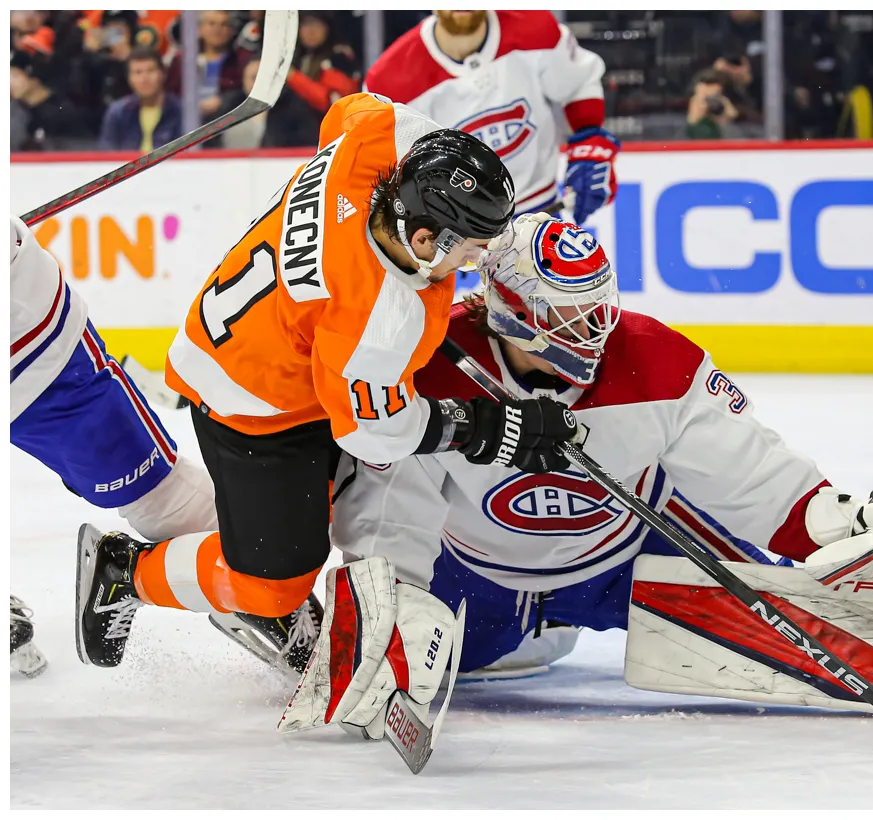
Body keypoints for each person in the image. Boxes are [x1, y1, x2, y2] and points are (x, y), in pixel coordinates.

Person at [274, 213, 873, 741]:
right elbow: (390, 501)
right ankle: (291, 625)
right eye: (566, 323)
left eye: (596, 313)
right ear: (507, 313)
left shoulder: (655, 360)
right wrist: (390, 608)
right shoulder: (431, 366)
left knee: (798, 634)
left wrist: (831, 520)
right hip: (477, 581)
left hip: (627, 560)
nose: (593, 336)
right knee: (397, 656)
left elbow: (753, 474)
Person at [74, 92, 581, 677]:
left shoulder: (379, 145)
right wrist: (490, 427)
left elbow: (347, 110)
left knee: (333, 491)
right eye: (468, 249)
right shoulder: (376, 319)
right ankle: (125, 570)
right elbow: (380, 437)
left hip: (268, 336)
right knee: (274, 585)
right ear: (423, 241)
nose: (477, 261)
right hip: (255, 404)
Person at [10, 213, 219, 677]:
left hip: (27, 353)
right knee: (175, 506)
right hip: (28, 353)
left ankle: (269, 597)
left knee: (169, 503)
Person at [364, 11, 619, 225]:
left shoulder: (536, 29)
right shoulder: (389, 82)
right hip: (451, 239)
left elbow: (577, 85)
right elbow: (378, 173)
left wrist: (589, 148)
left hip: (541, 217)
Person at [261, 11, 361, 148]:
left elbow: (333, 103)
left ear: (328, 28)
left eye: (316, 25)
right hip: (290, 138)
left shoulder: (339, 59)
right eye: (306, 24)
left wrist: (293, 77)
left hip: (328, 140)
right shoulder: (297, 58)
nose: (311, 31)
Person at [167, 10, 248, 126]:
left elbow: (244, 93)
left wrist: (223, 101)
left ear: (231, 31)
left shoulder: (240, 59)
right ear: (200, 29)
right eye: (211, 24)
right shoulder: (182, 59)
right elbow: (170, 93)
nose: (217, 29)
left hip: (228, 121)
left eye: (224, 24)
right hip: (183, 121)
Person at [98, 47, 183, 153]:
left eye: (150, 71)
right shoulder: (117, 112)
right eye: (138, 72)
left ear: (163, 74)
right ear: (129, 78)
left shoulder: (181, 111)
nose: (144, 78)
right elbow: (107, 155)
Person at [10, 51, 91, 152]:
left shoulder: (65, 108)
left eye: (14, 76)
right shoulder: (15, 111)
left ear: (34, 77)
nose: (9, 83)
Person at [685, 68, 740, 140]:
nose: (710, 103)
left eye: (715, 97)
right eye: (706, 98)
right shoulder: (672, 124)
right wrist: (693, 118)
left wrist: (729, 118)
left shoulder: (741, 129)